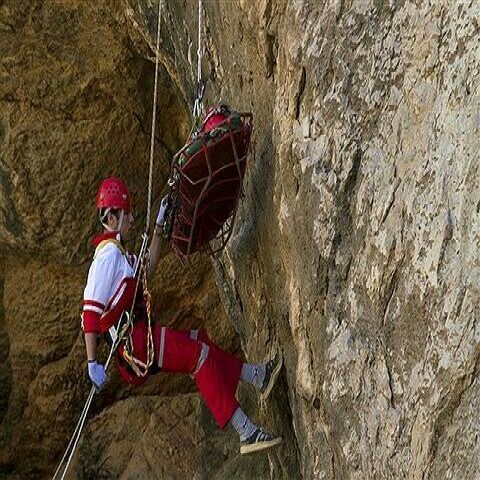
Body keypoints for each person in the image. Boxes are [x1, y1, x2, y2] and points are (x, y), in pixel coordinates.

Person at [81, 176, 283, 455]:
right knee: (197, 357)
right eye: (126, 215)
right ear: (113, 216)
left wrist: (159, 227)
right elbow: (90, 313)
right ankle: (247, 432)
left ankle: (257, 376)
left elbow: (147, 270)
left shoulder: (118, 254)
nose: (131, 220)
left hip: (140, 339)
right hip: (135, 344)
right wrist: (93, 362)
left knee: (198, 342)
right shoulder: (106, 257)